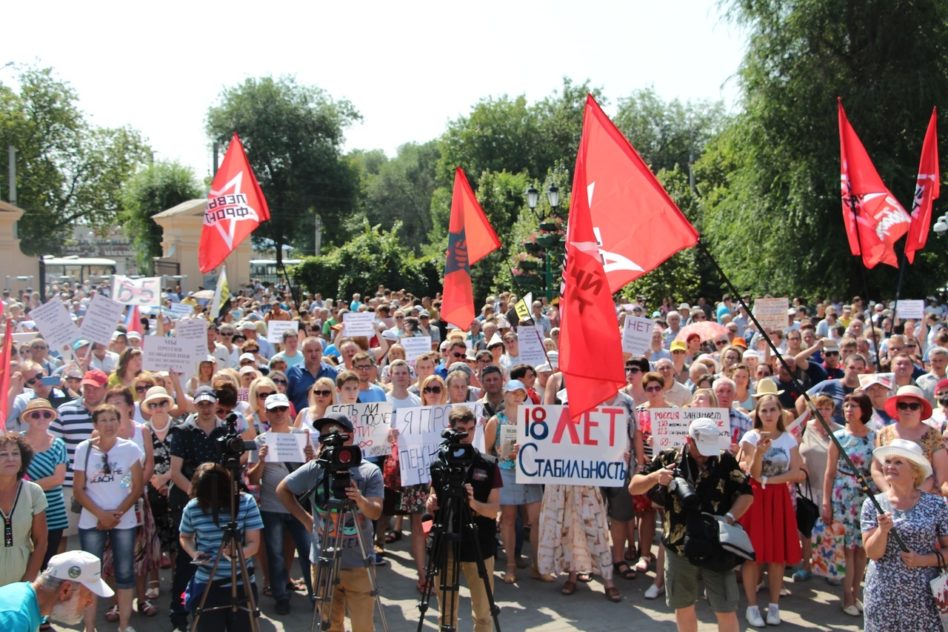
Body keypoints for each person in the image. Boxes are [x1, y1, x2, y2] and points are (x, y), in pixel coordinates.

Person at [630, 417, 753, 632]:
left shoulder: (724, 460)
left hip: (716, 545)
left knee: (725, 607)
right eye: (702, 448)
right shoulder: (670, 457)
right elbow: (634, 487)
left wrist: (730, 518)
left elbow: (746, 494)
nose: (706, 454)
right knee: (683, 605)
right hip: (679, 546)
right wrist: (656, 476)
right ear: (689, 440)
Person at [276, 413, 383, 632]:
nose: (330, 442)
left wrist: (359, 499)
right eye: (324, 438)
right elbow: (282, 490)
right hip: (324, 561)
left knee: (363, 626)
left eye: (336, 436)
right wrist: (306, 521)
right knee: (330, 626)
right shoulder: (317, 467)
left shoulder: (369, 470)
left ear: (350, 436)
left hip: (359, 563)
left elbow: (375, 513)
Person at [424, 407, 502, 632]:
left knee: (483, 613)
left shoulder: (487, 464)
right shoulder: (439, 463)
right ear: (450, 430)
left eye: (470, 429)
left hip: (478, 542)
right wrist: (431, 502)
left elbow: (494, 509)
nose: (466, 435)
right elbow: (432, 496)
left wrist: (473, 504)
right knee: (446, 615)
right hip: (445, 541)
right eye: (460, 430)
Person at [861, 439, 948, 632]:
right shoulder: (872, 504)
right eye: (888, 461)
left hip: (925, 597)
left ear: (915, 472)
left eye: (898, 462)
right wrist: (882, 531)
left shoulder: (936, 505)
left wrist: (923, 560)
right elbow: (872, 553)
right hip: (882, 594)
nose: (890, 466)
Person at [73, 403, 143, 632]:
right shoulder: (84, 449)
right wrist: (101, 514)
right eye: (103, 420)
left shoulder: (130, 449)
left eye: (113, 419)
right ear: (95, 425)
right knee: (90, 573)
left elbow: (135, 486)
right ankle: (90, 626)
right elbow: (79, 489)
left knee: (124, 572)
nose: (109, 425)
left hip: (124, 519)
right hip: (91, 519)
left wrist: (117, 513)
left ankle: (124, 625)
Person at [738, 393, 805, 627]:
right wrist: (759, 453)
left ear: (780, 413)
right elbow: (753, 473)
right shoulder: (749, 437)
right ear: (757, 413)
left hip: (779, 499)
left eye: (772, 410)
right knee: (753, 555)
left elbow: (796, 472)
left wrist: (769, 481)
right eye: (763, 410)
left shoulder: (789, 439)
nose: (768, 414)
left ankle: (775, 605)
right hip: (754, 499)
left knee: (777, 556)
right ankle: (752, 606)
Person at [248, 393, 314, 614]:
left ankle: (316, 596)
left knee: (307, 553)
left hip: (298, 506)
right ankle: (280, 596)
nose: (278, 413)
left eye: (282, 409)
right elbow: (253, 479)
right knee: (275, 555)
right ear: (266, 414)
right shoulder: (260, 441)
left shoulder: (302, 437)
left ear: (289, 411)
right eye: (274, 410)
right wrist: (261, 460)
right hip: (271, 507)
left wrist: (311, 458)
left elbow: (313, 473)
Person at [178, 463, 263, 632]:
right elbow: (184, 536)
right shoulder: (193, 507)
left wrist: (238, 554)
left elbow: (254, 544)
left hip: (241, 582)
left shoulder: (246, 503)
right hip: (208, 585)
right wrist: (194, 552)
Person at [484, 380, 547, 584]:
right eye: (513, 393)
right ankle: (510, 565)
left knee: (537, 520)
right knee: (509, 519)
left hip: (530, 472)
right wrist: (500, 455)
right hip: (507, 473)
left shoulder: (533, 420)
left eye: (521, 393)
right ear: (505, 395)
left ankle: (538, 565)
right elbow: (487, 452)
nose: (517, 397)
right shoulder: (496, 421)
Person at [821, 393, 875, 615]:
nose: (849, 410)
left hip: (866, 496)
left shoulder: (875, 437)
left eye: (854, 406)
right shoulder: (838, 437)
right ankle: (847, 596)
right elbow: (829, 472)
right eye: (846, 406)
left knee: (863, 548)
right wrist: (826, 502)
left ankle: (857, 593)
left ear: (864, 410)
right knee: (848, 549)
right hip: (843, 496)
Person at [0, 550, 111, 630]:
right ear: (65, 590)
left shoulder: (31, 604)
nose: (90, 602)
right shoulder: (17, 617)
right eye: (88, 594)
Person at [870, 385, 948, 495]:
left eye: (913, 406)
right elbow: (876, 469)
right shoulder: (883, 434)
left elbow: (942, 477)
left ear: (921, 408)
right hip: (892, 498)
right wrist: (889, 493)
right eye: (903, 405)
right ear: (896, 407)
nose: (908, 409)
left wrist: (916, 494)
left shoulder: (933, 435)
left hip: (926, 497)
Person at [19, 399, 67, 571]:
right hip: (23, 509)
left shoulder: (58, 444)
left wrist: (27, 487)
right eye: (36, 414)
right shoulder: (17, 443)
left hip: (52, 511)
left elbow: (58, 478)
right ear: (27, 418)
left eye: (46, 414)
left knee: (48, 565)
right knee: (23, 562)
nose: (42, 418)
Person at [0, 431, 48, 586]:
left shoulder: (33, 492)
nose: (11, 458)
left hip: (23, 582)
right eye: (3, 454)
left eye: (15, 453)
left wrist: (28, 581)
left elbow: (41, 541)